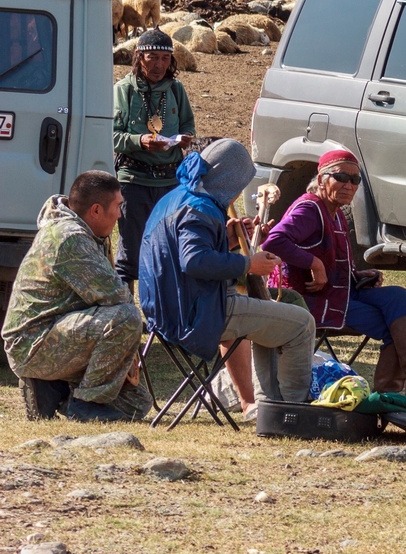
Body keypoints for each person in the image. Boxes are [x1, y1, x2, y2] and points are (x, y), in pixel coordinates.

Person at [263, 149, 406, 399]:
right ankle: (392, 393)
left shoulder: (335, 212)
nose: (349, 185)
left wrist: (357, 274)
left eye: (355, 180)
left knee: (397, 297)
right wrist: (314, 264)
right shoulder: (310, 209)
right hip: (313, 302)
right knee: (396, 329)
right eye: (341, 177)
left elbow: (330, 258)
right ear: (322, 179)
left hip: (339, 294)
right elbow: (273, 241)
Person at [139, 139, 315, 405]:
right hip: (197, 313)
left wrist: (228, 240)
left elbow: (182, 256)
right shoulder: (201, 208)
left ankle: (268, 405)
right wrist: (249, 264)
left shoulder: (176, 198)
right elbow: (194, 261)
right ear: (229, 178)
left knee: (269, 315)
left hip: (168, 309)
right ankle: (291, 409)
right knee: (302, 324)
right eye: (240, 183)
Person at [3, 172, 147, 422]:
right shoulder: (71, 238)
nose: (121, 215)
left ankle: (53, 388)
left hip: (55, 330)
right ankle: (84, 404)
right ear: (95, 211)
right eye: (117, 207)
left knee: (137, 405)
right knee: (126, 318)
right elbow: (116, 296)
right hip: (32, 343)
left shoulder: (86, 233)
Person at [112, 28, 195, 285]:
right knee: (130, 258)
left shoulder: (176, 90)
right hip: (134, 182)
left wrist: (184, 139)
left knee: (165, 254)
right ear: (138, 56)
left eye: (164, 58)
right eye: (152, 57)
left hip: (170, 184)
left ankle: (160, 321)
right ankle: (124, 316)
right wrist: (140, 141)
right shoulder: (124, 90)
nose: (159, 65)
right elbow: (111, 135)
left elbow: (188, 126)